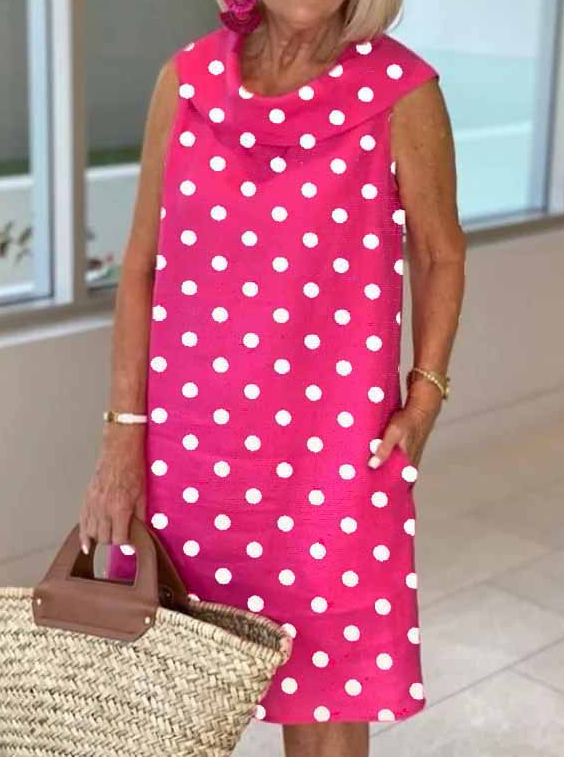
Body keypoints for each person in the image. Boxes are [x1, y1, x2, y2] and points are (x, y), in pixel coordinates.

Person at [79, 1, 465, 755]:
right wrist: (121, 441)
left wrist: (424, 398)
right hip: (187, 460)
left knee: (328, 694)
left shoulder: (402, 91)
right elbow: (142, 268)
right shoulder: (185, 82)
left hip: (333, 459)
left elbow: (439, 253)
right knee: (165, 694)